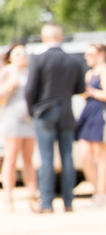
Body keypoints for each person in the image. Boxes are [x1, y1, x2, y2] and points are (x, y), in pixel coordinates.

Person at [23, 22, 86, 213]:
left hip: (44, 113)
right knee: (67, 157)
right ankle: (68, 202)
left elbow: (30, 90)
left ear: (44, 37)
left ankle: (47, 203)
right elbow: (80, 89)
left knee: (47, 158)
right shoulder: (74, 61)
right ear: (61, 36)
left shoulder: (38, 60)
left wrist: (32, 110)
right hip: (66, 112)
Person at [75, 43, 106, 207]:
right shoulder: (89, 73)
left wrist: (91, 92)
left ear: (101, 55)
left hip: (100, 113)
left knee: (101, 155)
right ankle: (96, 189)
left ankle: (102, 192)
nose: (87, 58)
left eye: (90, 54)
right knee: (85, 154)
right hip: (88, 113)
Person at [0, 43, 38, 212]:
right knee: (11, 158)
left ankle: (32, 195)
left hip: (28, 120)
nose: (22, 56)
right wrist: (10, 86)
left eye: (24, 53)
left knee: (29, 159)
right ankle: (8, 197)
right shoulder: (7, 72)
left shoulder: (30, 73)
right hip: (12, 119)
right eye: (18, 54)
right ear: (10, 57)